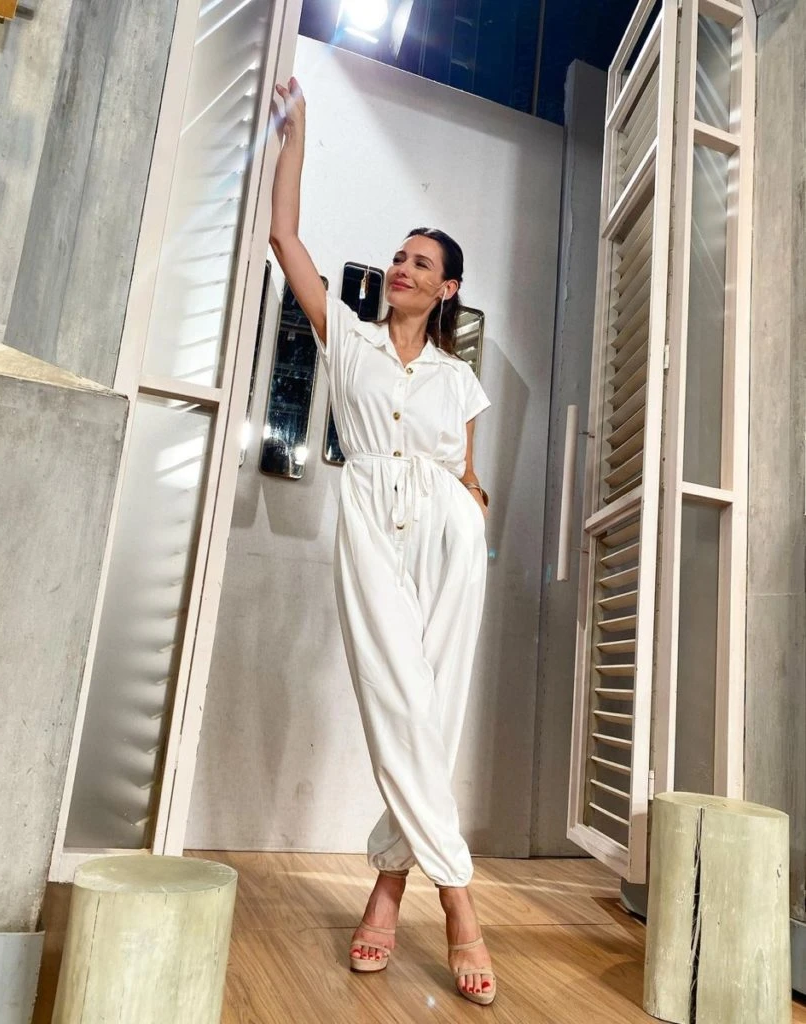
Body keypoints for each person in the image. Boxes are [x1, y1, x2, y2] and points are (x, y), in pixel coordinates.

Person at [270, 77, 496, 1008]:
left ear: (446, 289)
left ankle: (387, 893)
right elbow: (284, 238)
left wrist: (474, 510)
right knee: (398, 700)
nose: (401, 267)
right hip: (370, 519)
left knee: (431, 713)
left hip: (448, 537)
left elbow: (468, 472)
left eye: (420, 262)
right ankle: (459, 901)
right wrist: (297, 134)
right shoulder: (348, 340)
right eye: (398, 256)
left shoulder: (458, 380)